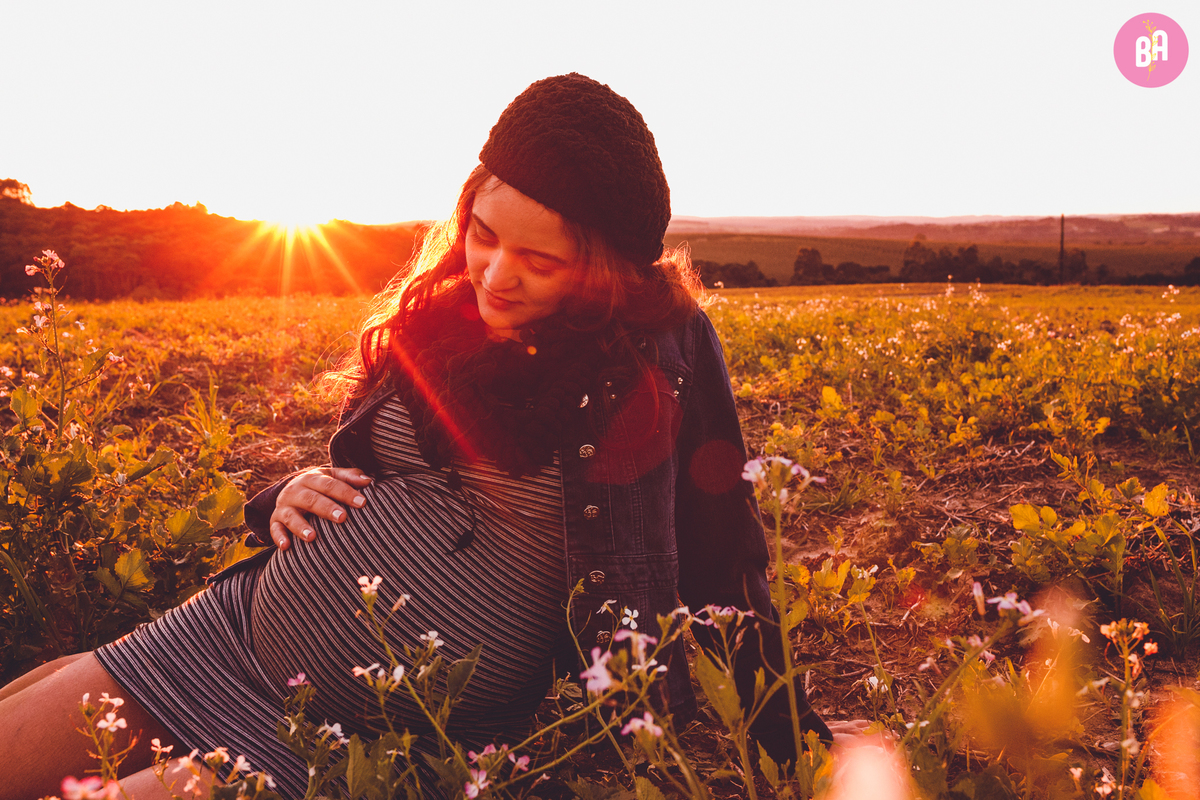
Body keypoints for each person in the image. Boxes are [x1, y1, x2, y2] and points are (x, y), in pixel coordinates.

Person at [0, 73, 838, 799]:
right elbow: (375, 469)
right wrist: (286, 493)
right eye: (484, 235)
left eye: (540, 261)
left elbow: (726, 551)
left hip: (368, 738)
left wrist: (797, 746)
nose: (495, 275)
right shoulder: (439, 320)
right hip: (226, 636)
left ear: (603, 269)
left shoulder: (657, 354)